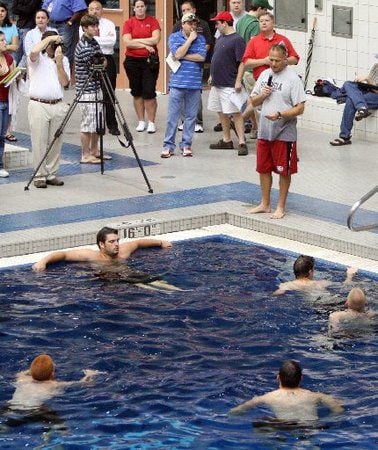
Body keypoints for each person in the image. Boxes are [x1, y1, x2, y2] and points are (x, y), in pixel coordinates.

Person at [249, 44, 305, 219]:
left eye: (277, 61)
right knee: (263, 169)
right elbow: (253, 101)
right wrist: (263, 95)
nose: (273, 64)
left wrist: (281, 114)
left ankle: (280, 206)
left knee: (284, 171)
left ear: (285, 60)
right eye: (270, 60)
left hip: (284, 132)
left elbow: (300, 108)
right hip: (265, 131)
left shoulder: (293, 79)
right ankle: (265, 204)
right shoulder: (265, 75)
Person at [229, 360, 344, 422]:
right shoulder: (316, 396)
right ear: (301, 378)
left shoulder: (267, 397)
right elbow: (338, 410)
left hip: (283, 426)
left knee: (261, 423)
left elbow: (236, 412)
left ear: (278, 377)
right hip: (311, 426)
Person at [160, 13, 206, 158]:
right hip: (177, 83)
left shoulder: (201, 38)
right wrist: (189, 41)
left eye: (195, 24)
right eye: (190, 23)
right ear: (183, 24)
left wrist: (183, 55)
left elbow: (201, 57)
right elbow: (177, 53)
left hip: (194, 83)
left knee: (191, 117)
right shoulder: (174, 37)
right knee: (172, 116)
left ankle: (186, 144)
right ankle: (168, 145)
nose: (193, 26)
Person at [28, 30, 70, 188]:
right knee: (39, 141)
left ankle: (51, 173)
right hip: (38, 104)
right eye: (51, 44)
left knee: (55, 141)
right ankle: (39, 174)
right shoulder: (37, 59)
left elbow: (65, 83)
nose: (54, 46)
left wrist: (59, 63)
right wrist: (51, 38)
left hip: (57, 104)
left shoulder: (63, 60)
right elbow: (34, 51)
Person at [32, 226, 172, 271]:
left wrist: (160, 242)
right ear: (101, 244)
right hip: (106, 284)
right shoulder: (91, 256)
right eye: (111, 241)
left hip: (127, 277)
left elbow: (139, 243)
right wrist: (44, 260)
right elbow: (64, 255)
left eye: (117, 240)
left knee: (153, 282)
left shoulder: (123, 251)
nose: (116, 244)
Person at [208, 11, 248, 156]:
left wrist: (238, 81)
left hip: (229, 83)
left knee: (235, 113)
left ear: (225, 23)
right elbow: (216, 59)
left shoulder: (237, 40)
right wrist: (212, 75)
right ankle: (227, 139)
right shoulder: (220, 39)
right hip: (217, 83)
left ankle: (242, 142)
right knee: (221, 112)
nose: (216, 26)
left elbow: (242, 62)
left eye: (217, 23)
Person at [8, 354, 103, 411]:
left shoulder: (22, 379)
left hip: (11, 406)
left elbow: (20, 373)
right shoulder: (53, 385)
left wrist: (35, 369)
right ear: (52, 374)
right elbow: (82, 383)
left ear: (30, 371)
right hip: (35, 411)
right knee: (61, 427)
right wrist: (90, 375)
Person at [172, 1, 212, 133]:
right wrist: (183, 53)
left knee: (195, 94)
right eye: (183, 10)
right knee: (182, 94)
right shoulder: (178, 25)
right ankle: (184, 121)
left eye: (188, 9)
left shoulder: (203, 25)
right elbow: (175, 50)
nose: (186, 12)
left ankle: (198, 121)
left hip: (196, 65)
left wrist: (184, 54)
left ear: (194, 10)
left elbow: (206, 46)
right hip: (180, 67)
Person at [80, 1, 120, 136]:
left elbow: (111, 42)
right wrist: (101, 39)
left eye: (97, 9)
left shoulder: (109, 23)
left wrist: (95, 39)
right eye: (91, 9)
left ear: (101, 10)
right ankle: (98, 125)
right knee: (95, 92)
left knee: (109, 92)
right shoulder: (83, 24)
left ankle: (112, 124)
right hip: (90, 59)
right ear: (88, 11)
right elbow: (84, 39)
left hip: (107, 59)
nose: (94, 11)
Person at [122, 0, 161, 134]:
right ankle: (141, 121)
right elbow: (127, 42)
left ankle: (151, 122)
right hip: (132, 61)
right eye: (137, 6)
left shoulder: (153, 21)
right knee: (137, 92)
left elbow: (155, 40)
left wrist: (136, 41)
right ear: (134, 8)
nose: (140, 9)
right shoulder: (129, 23)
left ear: (146, 8)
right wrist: (145, 44)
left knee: (149, 92)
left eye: (142, 6)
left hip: (149, 61)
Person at [75, 14, 106, 164]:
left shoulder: (94, 42)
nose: (96, 28)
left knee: (97, 122)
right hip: (86, 90)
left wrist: (101, 62)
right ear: (85, 28)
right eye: (93, 26)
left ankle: (95, 150)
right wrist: (100, 62)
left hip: (96, 87)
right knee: (87, 124)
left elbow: (103, 60)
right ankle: (85, 154)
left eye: (96, 25)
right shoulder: (84, 46)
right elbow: (96, 66)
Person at [330, 63, 378, 146]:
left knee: (350, 100)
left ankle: (344, 137)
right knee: (348, 84)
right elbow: (370, 85)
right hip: (368, 91)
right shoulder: (376, 66)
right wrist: (363, 82)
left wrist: (367, 80)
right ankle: (362, 107)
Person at [273, 255, 357, 295]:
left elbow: (277, 293)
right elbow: (345, 286)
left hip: (315, 307)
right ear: (310, 272)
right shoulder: (321, 283)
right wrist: (349, 275)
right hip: (330, 302)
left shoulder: (288, 285)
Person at [42, 0, 87, 67]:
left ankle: (64, 72)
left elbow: (80, 9)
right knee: (49, 47)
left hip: (65, 25)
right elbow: (45, 6)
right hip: (50, 24)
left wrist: (70, 22)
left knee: (64, 50)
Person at [0, 2, 19, 144]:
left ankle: (8, 131)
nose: (0, 13)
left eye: (2, 10)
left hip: (9, 61)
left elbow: (15, 46)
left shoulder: (12, 27)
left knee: (1, 136)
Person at [11, 0, 41, 66]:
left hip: (29, 26)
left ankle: (20, 71)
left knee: (27, 51)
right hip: (19, 25)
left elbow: (28, 10)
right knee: (16, 49)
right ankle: (12, 70)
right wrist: (21, 7)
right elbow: (13, 9)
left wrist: (18, 6)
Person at [0, 30, 13, 178]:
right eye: (1, 40)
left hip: (6, 100)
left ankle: (0, 165)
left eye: (4, 40)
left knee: (2, 135)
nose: (5, 43)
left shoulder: (9, 58)